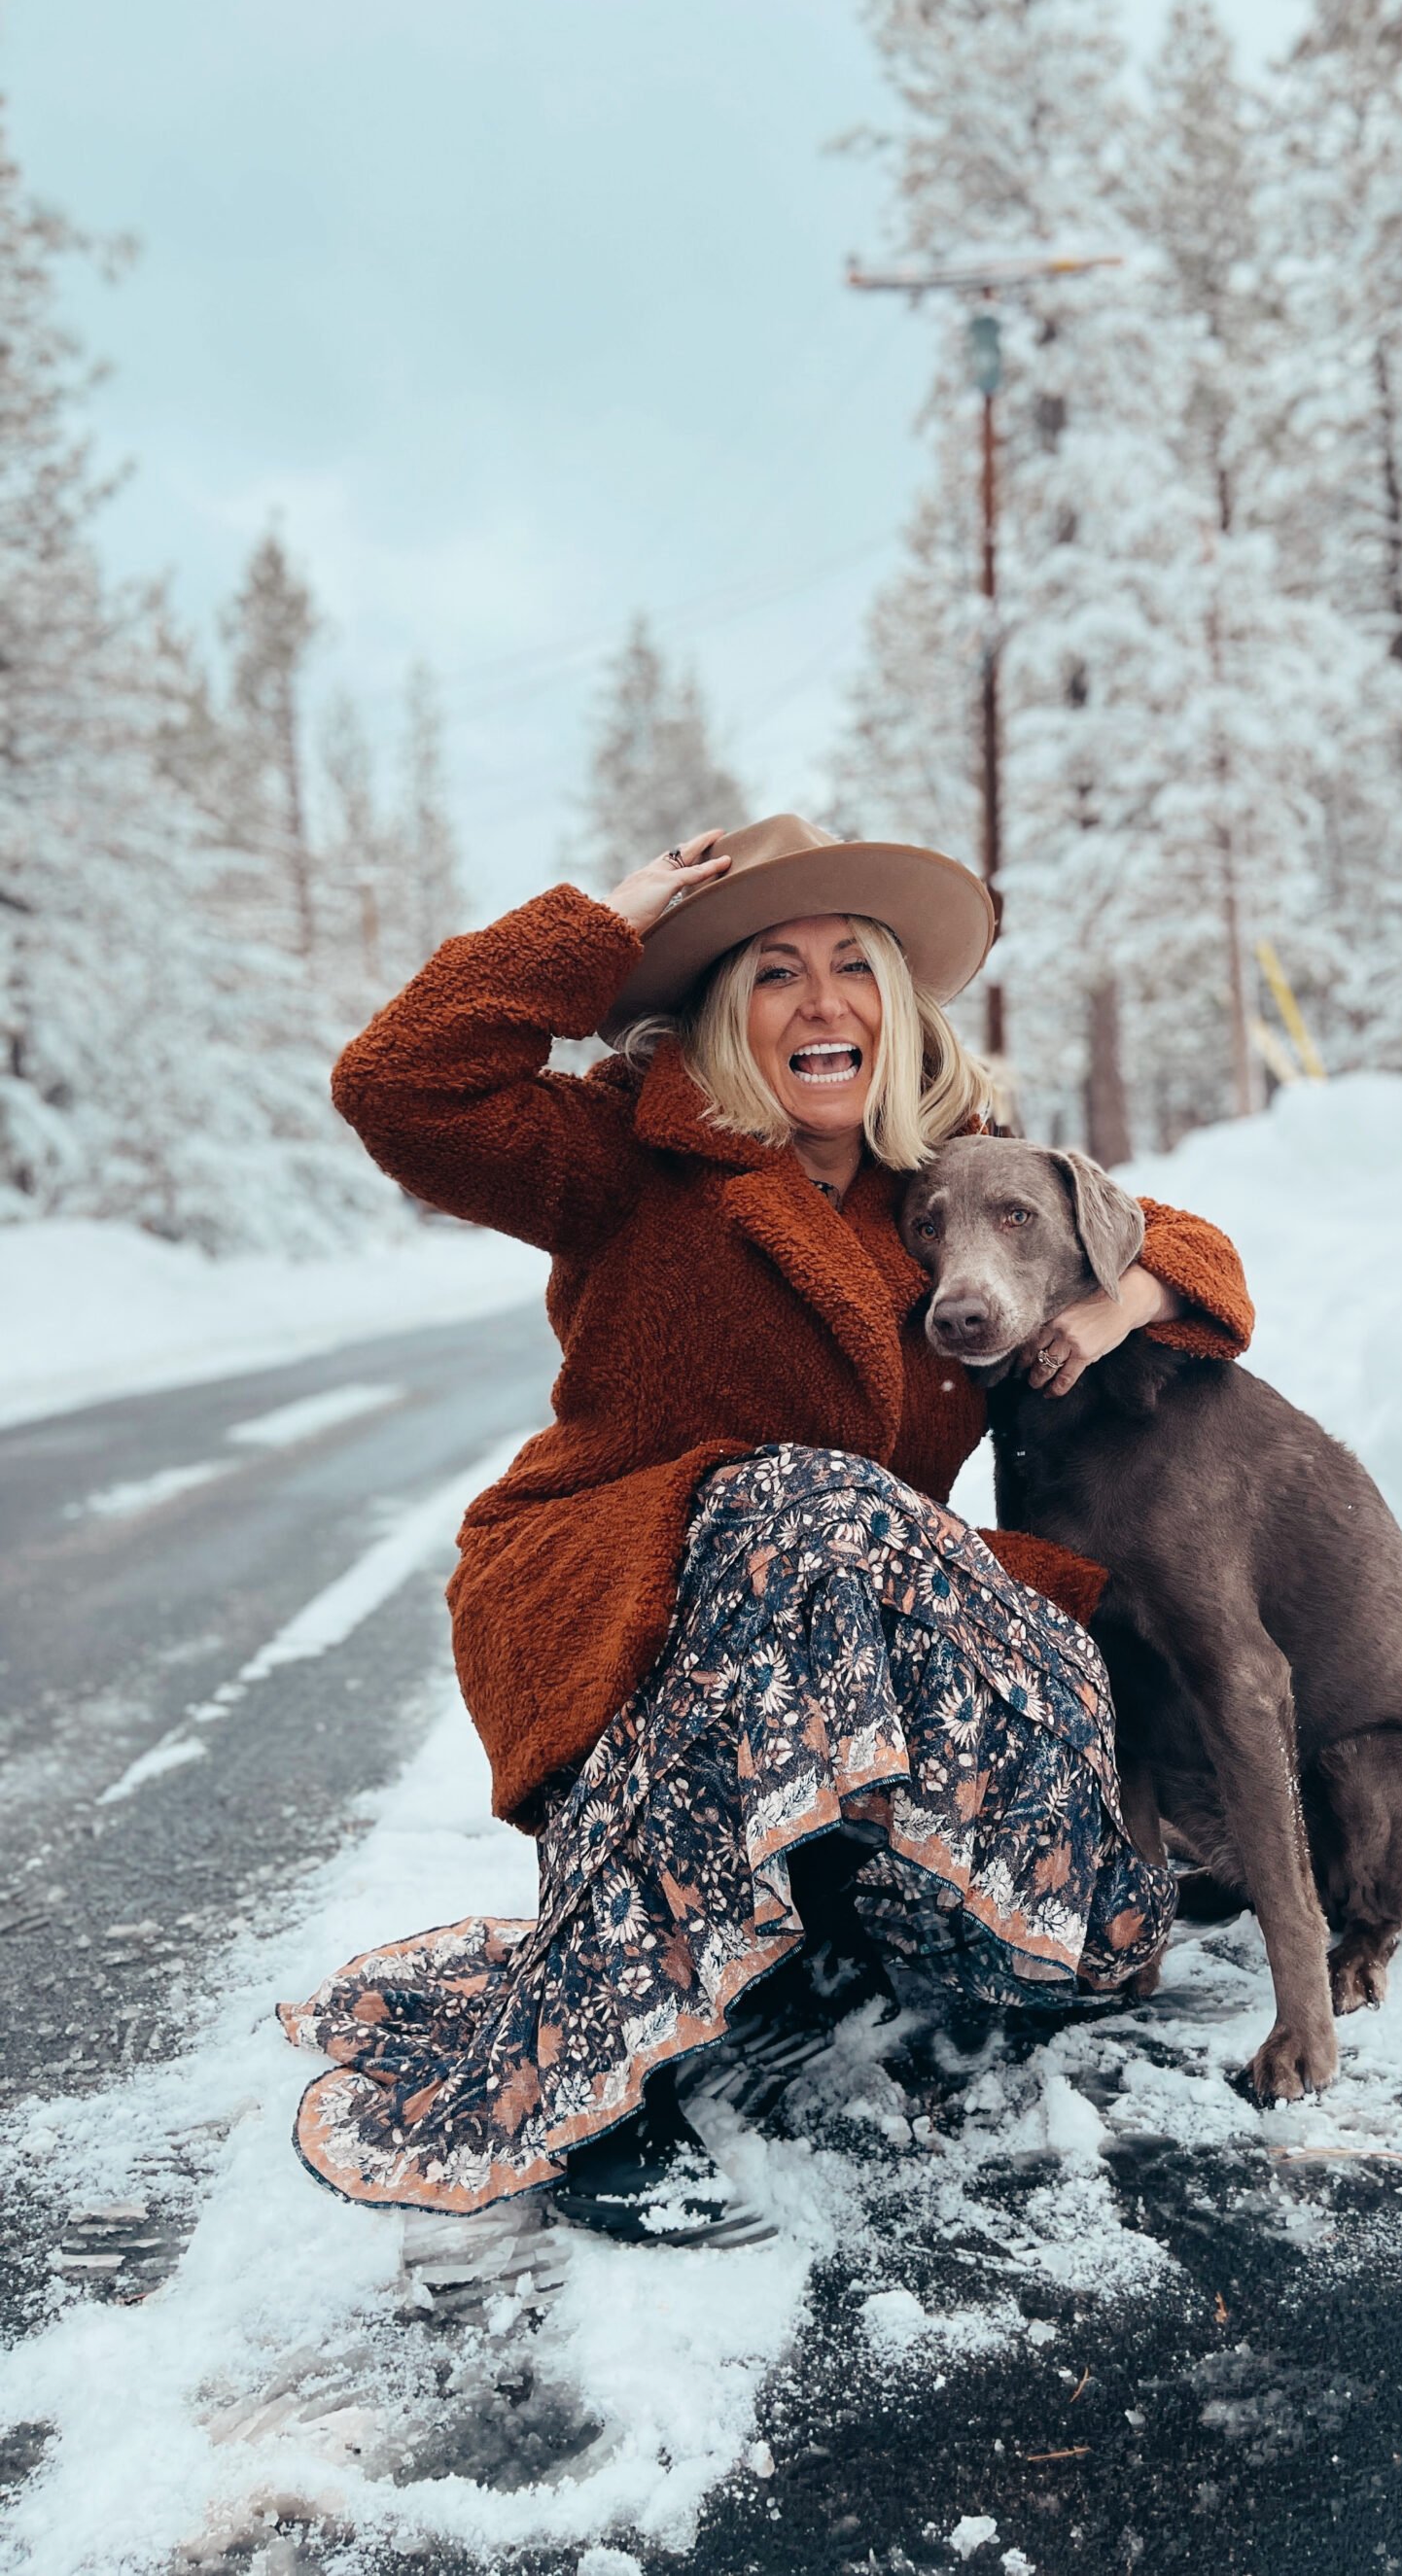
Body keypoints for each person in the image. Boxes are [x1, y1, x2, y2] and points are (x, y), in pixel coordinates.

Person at [280, 815, 1253, 2242]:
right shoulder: (628, 1154)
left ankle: (839, 1913)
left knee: (1061, 1956)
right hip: (628, 1576)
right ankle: (606, 2077)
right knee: (809, 1501)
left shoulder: (954, 1188)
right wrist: (604, 922)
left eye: (853, 964)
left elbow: (1201, 1252)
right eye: (773, 970)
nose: (821, 1002)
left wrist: (1116, 1298)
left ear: (897, 1008)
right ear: (726, 1010)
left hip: (867, 1622)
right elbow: (399, 1084)